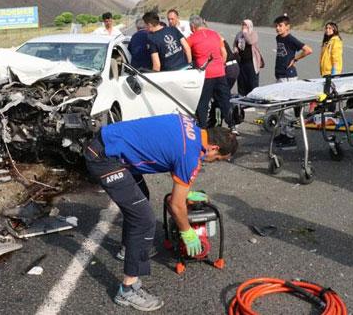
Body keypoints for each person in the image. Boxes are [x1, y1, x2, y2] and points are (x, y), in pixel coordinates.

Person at [84, 114, 238, 311]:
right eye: (217, 158)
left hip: (108, 142)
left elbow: (165, 147)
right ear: (214, 148)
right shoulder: (191, 155)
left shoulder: (188, 123)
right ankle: (127, 290)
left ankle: (127, 249)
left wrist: (186, 194)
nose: (212, 161)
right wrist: (187, 232)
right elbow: (176, 205)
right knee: (144, 219)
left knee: (141, 196)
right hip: (104, 158)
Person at [187, 15, 238, 134]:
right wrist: (221, 64)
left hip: (205, 75)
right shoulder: (215, 34)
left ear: (193, 27)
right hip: (219, 72)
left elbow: (185, 48)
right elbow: (223, 53)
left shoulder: (192, 38)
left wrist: (190, 63)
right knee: (225, 99)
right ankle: (232, 125)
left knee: (203, 101)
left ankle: (202, 127)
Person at [273, 14, 313, 148]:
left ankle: (290, 137)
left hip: (288, 76)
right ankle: (284, 133)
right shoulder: (278, 38)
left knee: (288, 108)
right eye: (276, 26)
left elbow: (308, 50)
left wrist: (296, 59)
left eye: (280, 26)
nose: (278, 28)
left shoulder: (290, 39)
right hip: (280, 75)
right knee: (283, 107)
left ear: (287, 27)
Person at [233, 19, 263, 96]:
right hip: (241, 62)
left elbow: (250, 41)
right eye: (243, 25)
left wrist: (245, 33)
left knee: (252, 82)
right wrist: (235, 49)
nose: (244, 27)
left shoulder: (253, 34)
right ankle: (242, 99)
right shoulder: (239, 34)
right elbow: (235, 44)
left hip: (252, 62)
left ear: (250, 26)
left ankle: (253, 100)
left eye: (246, 25)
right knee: (242, 82)